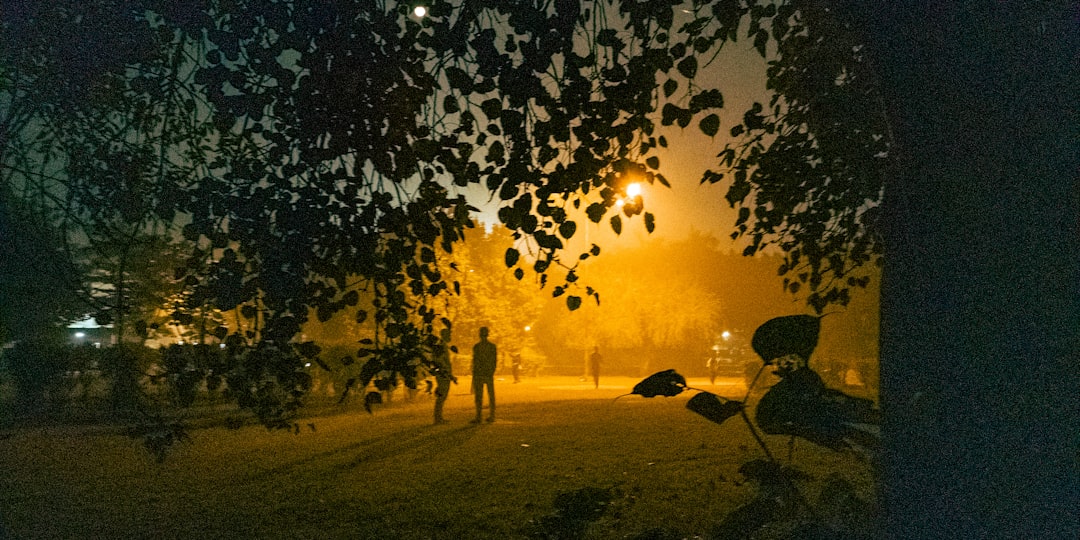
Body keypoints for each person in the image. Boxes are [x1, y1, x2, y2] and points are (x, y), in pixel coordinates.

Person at [471, 326, 497, 423]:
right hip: (488, 373)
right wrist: (491, 371)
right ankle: (492, 415)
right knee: (491, 395)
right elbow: (494, 361)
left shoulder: (476, 347)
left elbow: (475, 361)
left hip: (479, 373)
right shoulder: (492, 347)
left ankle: (479, 416)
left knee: (479, 396)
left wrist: (474, 373)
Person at [431, 329, 457, 424]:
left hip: (443, 373)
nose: (450, 336)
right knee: (442, 395)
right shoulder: (441, 346)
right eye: (449, 334)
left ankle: (439, 417)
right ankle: (437, 418)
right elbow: (441, 361)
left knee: (442, 396)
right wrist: (448, 374)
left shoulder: (442, 345)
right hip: (443, 374)